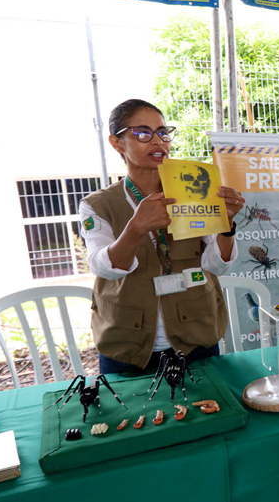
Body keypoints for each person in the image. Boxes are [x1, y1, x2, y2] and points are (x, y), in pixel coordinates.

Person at [79, 99, 244, 375]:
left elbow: (217, 266)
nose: (158, 141)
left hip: (196, 337)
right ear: (117, 143)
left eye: (163, 132)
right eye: (143, 133)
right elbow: (102, 267)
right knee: (133, 417)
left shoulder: (192, 189)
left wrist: (227, 225)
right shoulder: (97, 204)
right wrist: (135, 228)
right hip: (127, 345)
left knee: (210, 411)